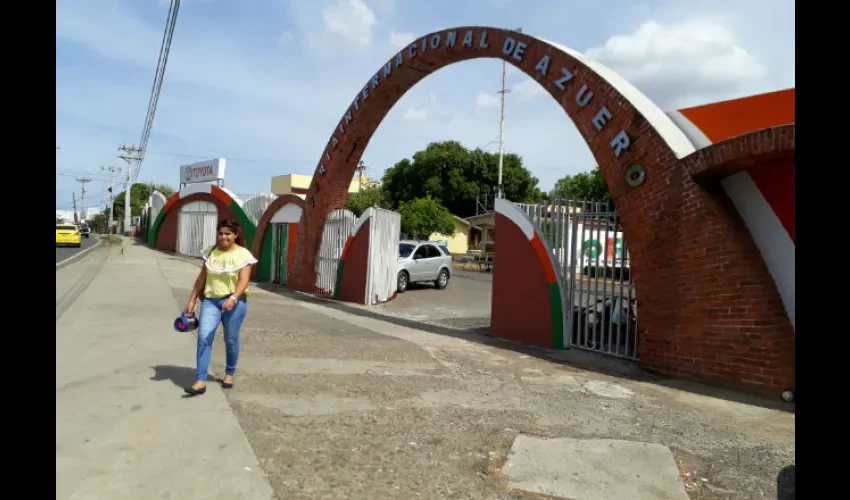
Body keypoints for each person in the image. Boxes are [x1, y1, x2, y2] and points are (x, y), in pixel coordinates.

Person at [183, 219, 257, 396]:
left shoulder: (243, 255)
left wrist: (233, 298)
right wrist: (192, 300)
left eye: (228, 234)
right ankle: (200, 380)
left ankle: (229, 373)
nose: (223, 237)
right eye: (221, 233)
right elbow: (202, 278)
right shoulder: (210, 253)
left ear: (235, 235)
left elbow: (244, 281)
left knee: (230, 340)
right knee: (203, 337)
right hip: (211, 301)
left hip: (235, 303)